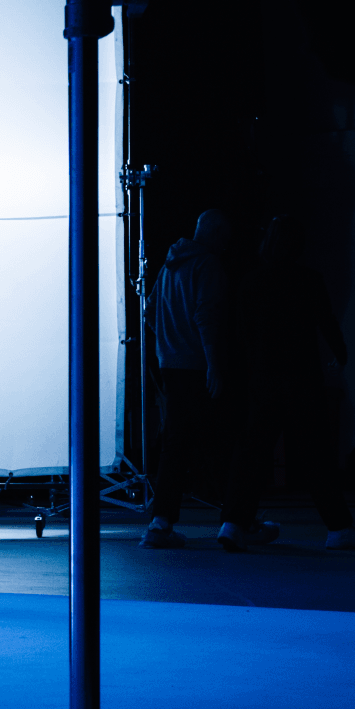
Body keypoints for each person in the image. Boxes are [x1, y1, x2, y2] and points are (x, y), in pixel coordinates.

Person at [218, 215, 355, 551]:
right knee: (316, 454)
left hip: (262, 380)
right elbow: (327, 322)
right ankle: (338, 527)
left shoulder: (251, 282)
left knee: (251, 453)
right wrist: (340, 355)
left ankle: (233, 522)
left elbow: (240, 337)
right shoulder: (308, 280)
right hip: (301, 378)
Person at [141, 209, 234, 548]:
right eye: (225, 236)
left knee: (174, 446)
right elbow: (206, 315)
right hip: (197, 365)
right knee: (217, 443)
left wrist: (168, 341)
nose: (227, 244)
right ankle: (237, 520)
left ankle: (160, 522)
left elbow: (148, 310)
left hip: (170, 365)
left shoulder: (169, 265)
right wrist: (213, 364)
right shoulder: (206, 264)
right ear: (216, 233)